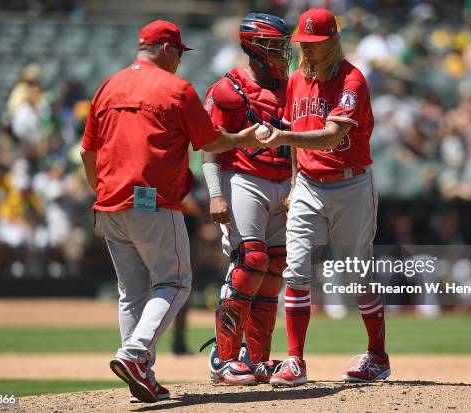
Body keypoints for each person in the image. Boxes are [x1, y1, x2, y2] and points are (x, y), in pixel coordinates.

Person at [80, 19, 261, 403]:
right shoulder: (177, 89)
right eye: (178, 51)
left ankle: (140, 376)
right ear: (165, 49)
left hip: (109, 204)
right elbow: (209, 140)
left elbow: (87, 152)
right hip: (154, 202)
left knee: (132, 292)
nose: (180, 59)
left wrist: (101, 190)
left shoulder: (108, 85)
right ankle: (134, 354)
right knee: (175, 283)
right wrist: (242, 138)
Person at [258, 8, 391, 386]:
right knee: (296, 271)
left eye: (316, 45)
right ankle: (295, 361)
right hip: (310, 186)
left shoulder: (353, 80)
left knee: (357, 275)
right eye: (304, 44)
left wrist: (282, 138)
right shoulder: (297, 81)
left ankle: (378, 357)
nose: (309, 51)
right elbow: (300, 135)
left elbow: (332, 135)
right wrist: (296, 182)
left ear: (333, 42)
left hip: (350, 185)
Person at [201, 13, 292, 385]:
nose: (281, 52)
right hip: (243, 179)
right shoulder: (227, 88)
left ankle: (257, 359)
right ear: (253, 47)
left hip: (284, 182)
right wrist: (215, 194)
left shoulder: (291, 87)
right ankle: (224, 358)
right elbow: (209, 146)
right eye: (273, 45)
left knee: (274, 269)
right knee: (251, 260)